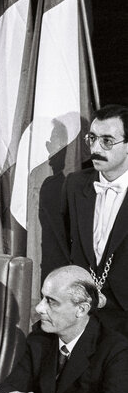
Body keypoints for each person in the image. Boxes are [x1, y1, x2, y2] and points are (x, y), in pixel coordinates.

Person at [0, 266, 128, 393]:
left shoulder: (115, 348)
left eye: (51, 301)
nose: (39, 308)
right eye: (42, 298)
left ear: (81, 310)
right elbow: (9, 386)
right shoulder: (40, 339)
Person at [56, 105, 128, 336]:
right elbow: (66, 246)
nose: (95, 148)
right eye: (93, 138)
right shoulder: (75, 185)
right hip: (80, 311)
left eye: (108, 141)